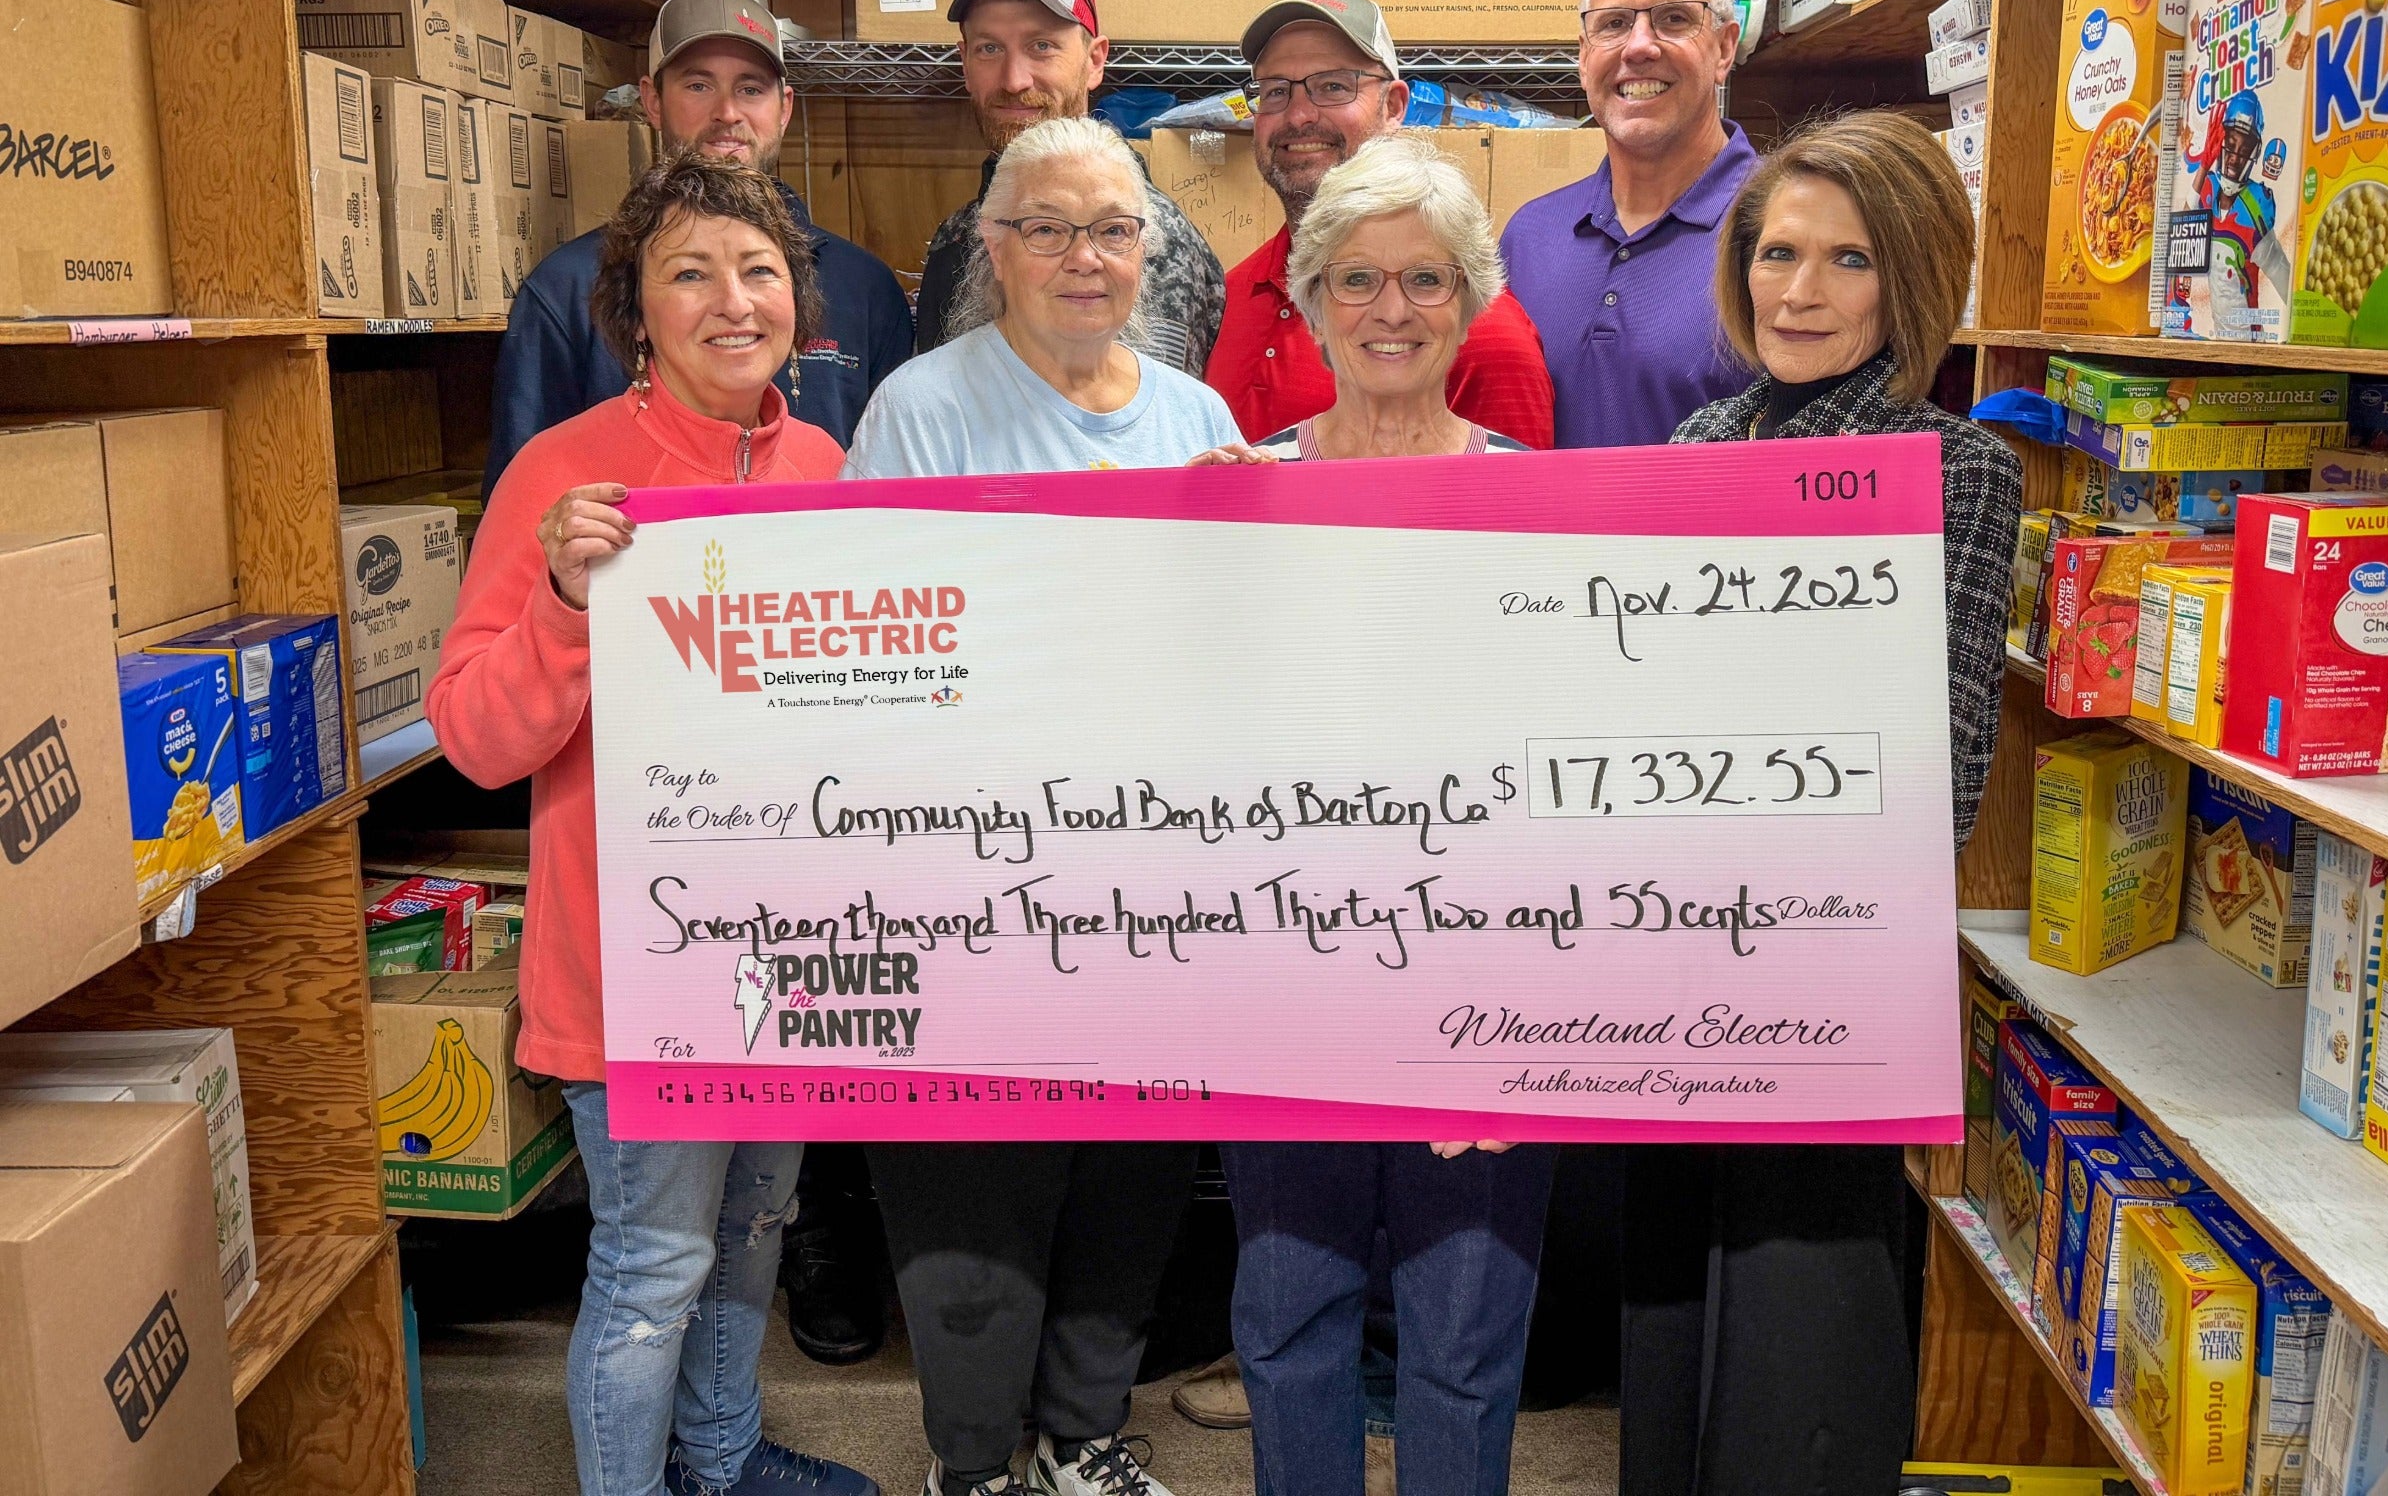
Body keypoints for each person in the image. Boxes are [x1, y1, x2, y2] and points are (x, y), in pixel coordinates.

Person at [428, 152, 877, 1496]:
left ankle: (721, 1459)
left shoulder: (825, 463)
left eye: (757, 272)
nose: (731, 302)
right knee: (648, 1265)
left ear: (798, 300)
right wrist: (566, 605)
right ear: (636, 309)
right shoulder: (566, 478)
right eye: (690, 273)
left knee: (752, 1228)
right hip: (637, 964)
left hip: (789, 946)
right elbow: (474, 736)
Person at [842, 116, 1245, 1496]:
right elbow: (867, 650)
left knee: (1129, 1177)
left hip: (1158, 875)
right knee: (977, 1178)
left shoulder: (1197, 418)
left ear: (1149, 251)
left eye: (1116, 230)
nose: (1089, 258)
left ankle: (1084, 1434)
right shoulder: (922, 409)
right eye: (1053, 229)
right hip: (975, 877)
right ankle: (971, 1457)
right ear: (995, 251)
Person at [1624, 111, 2022, 1496]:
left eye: (1846, 260)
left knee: (1802, 1312)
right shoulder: (1700, 437)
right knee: (1670, 1287)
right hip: (1666, 939)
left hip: (1826, 958)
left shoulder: (1956, 469)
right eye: (1778, 251)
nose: (1799, 291)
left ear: (1908, 279)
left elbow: (1951, 771)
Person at [1214, 137, 1555, 1496]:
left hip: (1487, 971)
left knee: (1465, 1332)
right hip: (1285, 971)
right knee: (1290, 1318)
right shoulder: (1235, 492)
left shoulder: (1544, 501)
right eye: (1357, 279)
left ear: (1472, 300)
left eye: (1426, 279)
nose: (1392, 310)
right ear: (1306, 299)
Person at [484, 0, 913, 498]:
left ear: (785, 108)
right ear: (652, 101)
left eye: (751, 88)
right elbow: (523, 508)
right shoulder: (565, 290)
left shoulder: (865, 287)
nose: (727, 112)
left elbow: (894, 508)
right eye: (698, 86)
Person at [1201, 0, 1555, 449]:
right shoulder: (1229, 297)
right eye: (1275, 92)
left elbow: (1513, 506)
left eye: (1333, 86)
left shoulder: (1484, 334)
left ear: (1393, 107)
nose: (1300, 114)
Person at [914, 0, 1228, 376]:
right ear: (965, 62)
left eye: (1041, 46)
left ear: (1094, 61)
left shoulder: (1146, 239)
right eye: (990, 48)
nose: (1014, 79)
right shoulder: (956, 237)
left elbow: (1142, 432)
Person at [1501, 0, 1762, 447]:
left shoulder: (1784, 228)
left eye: (1674, 18)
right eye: (1614, 23)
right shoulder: (1529, 235)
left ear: (1724, 49)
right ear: (1582, 55)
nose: (1639, 47)